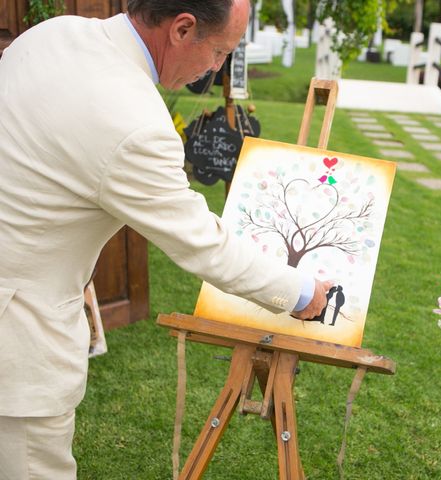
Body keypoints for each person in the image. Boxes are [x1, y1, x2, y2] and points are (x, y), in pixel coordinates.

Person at [0, 1, 331, 478]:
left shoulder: (53, 34)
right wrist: (300, 292)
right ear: (182, 28)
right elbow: (203, 244)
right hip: (18, 341)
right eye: (219, 52)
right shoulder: (134, 123)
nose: (215, 68)